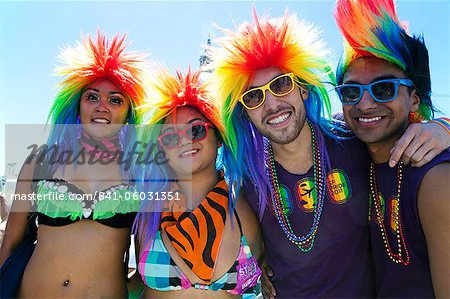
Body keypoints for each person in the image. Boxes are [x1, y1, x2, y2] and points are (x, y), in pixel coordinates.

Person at [207, 10, 449, 298]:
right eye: (254, 96)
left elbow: (391, 124)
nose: (272, 104)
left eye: (281, 84)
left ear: (304, 88)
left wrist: (442, 126)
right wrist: (259, 267)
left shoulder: (350, 137)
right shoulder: (246, 175)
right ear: (245, 112)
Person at [0, 32, 148, 297]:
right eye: (92, 97)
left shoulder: (139, 171)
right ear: (77, 105)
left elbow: (146, 262)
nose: (103, 107)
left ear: (129, 112)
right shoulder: (41, 161)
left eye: (115, 100)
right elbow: (9, 245)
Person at [334, 0, 449, 297]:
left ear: (413, 98)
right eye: (350, 91)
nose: (365, 104)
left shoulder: (434, 179)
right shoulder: (351, 154)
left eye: (383, 88)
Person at [133, 68, 262, 299]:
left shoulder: (247, 206)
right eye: (171, 137)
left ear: (219, 137)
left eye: (196, 130)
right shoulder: (147, 213)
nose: (184, 141)